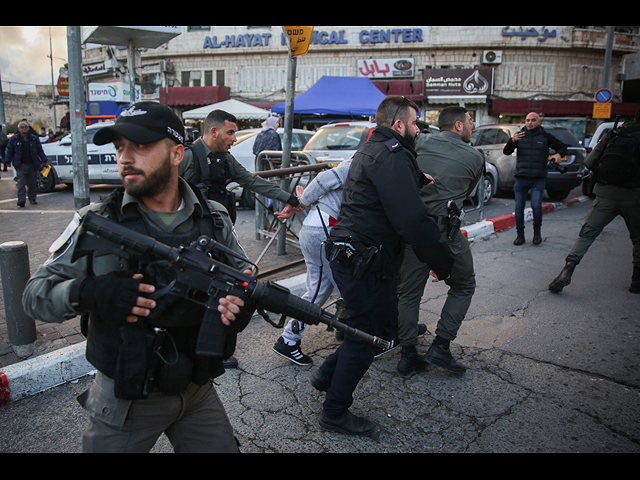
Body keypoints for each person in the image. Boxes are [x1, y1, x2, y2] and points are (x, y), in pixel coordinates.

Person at [22, 102, 254, 453]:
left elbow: (244, 276)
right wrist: (87, 292)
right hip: (126, 398)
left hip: (196, 388)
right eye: (119, 147)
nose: (125, 158)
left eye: (140, 145)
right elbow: (34, 296)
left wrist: (241, 303)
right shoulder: (97, 221)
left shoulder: (214, 218)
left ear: (177, 153)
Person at [309, 96, 454, 437]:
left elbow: (385, 187)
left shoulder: (373, 148)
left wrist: (415, 179)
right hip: (365, 261)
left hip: (360, 257)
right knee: (367, 336)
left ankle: (327, 374)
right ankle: (334, 412)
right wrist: (443, 263)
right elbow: (412, 219)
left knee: (380, 327)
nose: (418, 130)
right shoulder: (392, 154)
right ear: (399, 125)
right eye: (415, 123)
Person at [396, 106, 485, 377]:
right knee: (464, 284)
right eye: (470, 121)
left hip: (414, 229)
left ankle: (408, 355)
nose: (472, 126)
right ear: (458, 126)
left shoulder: (419, 141)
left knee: (408, 294)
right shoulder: (474, 156)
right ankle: (441, 346)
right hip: (446, 233)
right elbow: (467, 192)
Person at [549, 109, 640, 295]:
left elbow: (590, 162)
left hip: (605, 194)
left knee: (587, 235)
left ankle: (568, 268)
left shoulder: (615, 133)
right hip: (633, 196)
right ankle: (636, 282)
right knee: (638, 239)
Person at [272, 158, 352, 366]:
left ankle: (289, 339)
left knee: (319, 290)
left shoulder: (365, 160)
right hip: (323, 231)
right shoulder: (357, 162)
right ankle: (365, 341)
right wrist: (301, 202)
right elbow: (324, 179)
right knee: (348, 289)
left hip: (317, 229)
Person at [179, 109, 299, 224]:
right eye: (230, 132)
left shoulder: (225, 158)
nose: (234, 139)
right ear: (214, 132)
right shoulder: (187, 157)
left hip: (216, 225)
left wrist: (289, 199)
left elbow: (251, 181)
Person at [503, 112, 568, 245]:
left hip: (538, 178)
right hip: (521, 177)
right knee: (518, 207)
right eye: (527, 120)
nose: (530, 123)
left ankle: (537, 234)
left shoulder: (545, 136)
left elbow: (563, 147)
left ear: (539, 122)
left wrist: (558, 155)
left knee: (536, 206)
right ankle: (520, 235)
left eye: (533, 120)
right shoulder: (520, 135)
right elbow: (506, 151)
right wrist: (512, 141)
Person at [5, 120, 49, 207]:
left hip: (32, 164)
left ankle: (32, 199)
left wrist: (44, 160)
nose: (24, 129)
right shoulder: (14, 139)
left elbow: (40, 150)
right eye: (22, 127)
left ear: (28, 128)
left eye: (25, 127)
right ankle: (21, 200)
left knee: (32, 183)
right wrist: (7, 161)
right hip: (20, 165)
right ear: (19, 129)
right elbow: (9, 151)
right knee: (21, 183)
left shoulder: (33, 138)